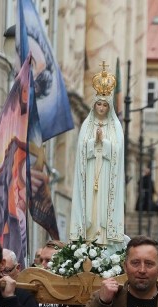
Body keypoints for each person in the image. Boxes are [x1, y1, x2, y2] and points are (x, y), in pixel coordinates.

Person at [70, 65, 125, 249]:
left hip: (107, 174)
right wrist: (94, 142)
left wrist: (105, 143)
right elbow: (81, 151)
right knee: (90, 207)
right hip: (90, 171)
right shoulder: (87, 125)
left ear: (109, 107)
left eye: (104, 105)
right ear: (94, 105)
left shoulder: (114, 126)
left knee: (103, 206)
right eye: (98, 104)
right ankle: (88, 236)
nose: (101, 108)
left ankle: (104, 239)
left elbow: (118, 151)